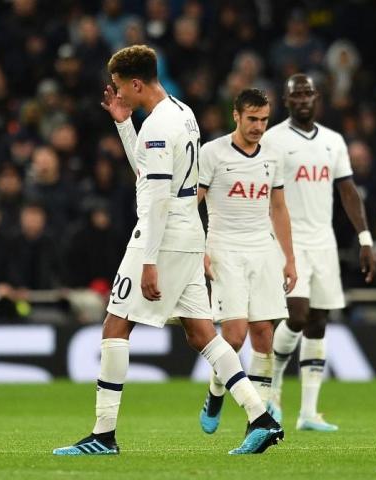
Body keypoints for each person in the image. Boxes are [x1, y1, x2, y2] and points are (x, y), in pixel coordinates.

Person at [53, 45, 282, 456]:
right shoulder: (182, 112)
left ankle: (103, 435)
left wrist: (149, 260)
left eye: (122, 88)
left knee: (115, 326)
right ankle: (260, 416)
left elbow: (156, 197)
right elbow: (148, 173)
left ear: (137, 83)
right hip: (189, 235)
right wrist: (124, 126)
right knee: (202, 334)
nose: (119, 95)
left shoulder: (159, 128)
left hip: (162, 236)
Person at [260, 74, 376, 431]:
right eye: (296, 95)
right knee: (296, 315)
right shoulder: (273, 140)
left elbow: (348, 191)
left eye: (309, 93)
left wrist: (365, 238)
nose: (304, 99)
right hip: (286, 242)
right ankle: (273, 390)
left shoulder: (333, 141)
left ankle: (309, 412)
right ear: (286, 100)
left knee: (319, 322)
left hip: (323, 241)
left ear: (318, 98)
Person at [196, 88, 297, 435]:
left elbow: (279, 208)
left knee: (263, 334)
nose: (258, 126)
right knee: (235, 336)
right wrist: (200, 250)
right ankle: (216, 391)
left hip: (263, 248)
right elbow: (193, 203)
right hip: (224, 248)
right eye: (252, 119)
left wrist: (289, 258)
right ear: (235, 115)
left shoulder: (273, 154)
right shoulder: (212, 153)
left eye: (264, 120)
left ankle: (260, 418)